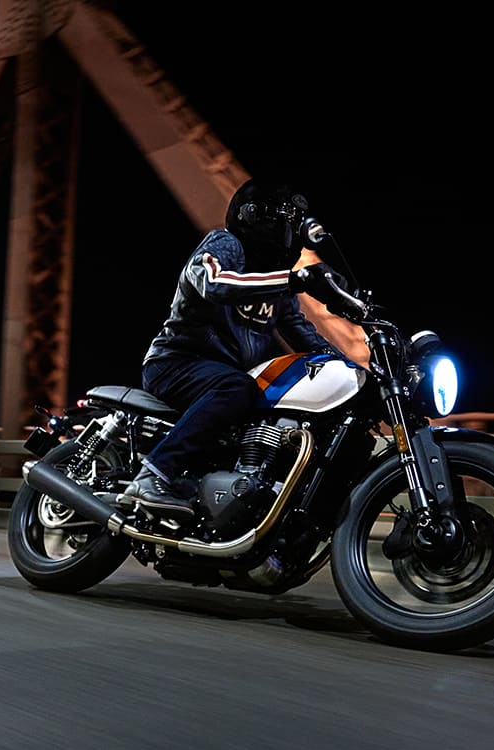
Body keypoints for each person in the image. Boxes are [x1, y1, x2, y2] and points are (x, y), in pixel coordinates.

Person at [123, 178, 356, 519]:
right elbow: (215, 284)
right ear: (256, 216)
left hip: (222, 377)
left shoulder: (276, 280)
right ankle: (153, 475)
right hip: (177, 362)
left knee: (270, 406)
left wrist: (354, 372)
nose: (291, 229)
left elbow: (302, 332)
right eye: (285, 218)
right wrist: (294, 279)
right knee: (238, 387)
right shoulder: (225, 244)